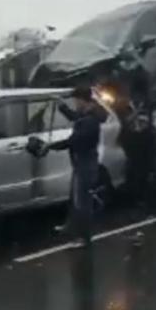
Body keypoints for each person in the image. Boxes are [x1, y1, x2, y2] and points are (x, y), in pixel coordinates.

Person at [46, 86, 105, 248]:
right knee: (75, 198)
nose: (75, 104)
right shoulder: (87, 115)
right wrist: (62, 107)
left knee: (82, 203)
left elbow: (73, 141)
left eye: (76, 100)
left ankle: (84, 238)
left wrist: (50, 146)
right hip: (81, 163)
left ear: (82, 100)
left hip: (86, 165)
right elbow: (74, 116)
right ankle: (71, 226)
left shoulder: (90, 121)